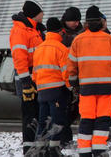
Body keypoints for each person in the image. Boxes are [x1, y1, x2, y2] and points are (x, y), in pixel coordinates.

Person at [67, 6, 111, 157]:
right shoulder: (110, 39)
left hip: (86, 89)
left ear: (86, 23)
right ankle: (99, 150)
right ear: (100, 22)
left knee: (86, 119)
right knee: (103, 119)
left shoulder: (78, 40)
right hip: (107, 88)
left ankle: (84, 152)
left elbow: (71, 66)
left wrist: (74, 85)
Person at [9, 0, 45, 156]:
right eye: (41, 12)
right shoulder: (21, 31)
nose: (43, 14)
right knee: (30, 116)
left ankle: (39, 148)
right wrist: (26, 83)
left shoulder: (34, 30)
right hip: (29, 81)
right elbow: (19, 58)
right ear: (35, 14)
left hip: (37, 79)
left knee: (39, 115)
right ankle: (30, 150)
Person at [33, 17, 70, 157]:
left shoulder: (39, 48)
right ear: (61, 31)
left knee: (43, 121)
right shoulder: (61, 48)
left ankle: (40, 150)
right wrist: (71, 87)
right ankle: (54, 150)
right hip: (57, 91)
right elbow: (66, 72)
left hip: (42, 91)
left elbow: (35, 73)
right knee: (57, 121)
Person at [59, 6, 83, 148]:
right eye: (74, 21)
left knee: (75, 109)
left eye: (78, 21)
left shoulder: (81, 31)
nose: (77, 23)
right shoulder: (60, 34)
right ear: (66, 21)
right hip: (64, 76)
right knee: (66, 110)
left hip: (77, 75)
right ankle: (65, 140)